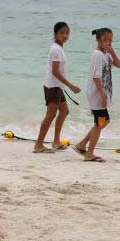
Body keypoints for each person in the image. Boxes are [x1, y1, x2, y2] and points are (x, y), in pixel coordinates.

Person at [32, 21, 81, 154]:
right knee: (50, 115)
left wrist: (64, 86)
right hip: (52, 86)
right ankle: (38, 145)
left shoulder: (59, 48)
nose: (65, 35)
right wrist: (70, 86)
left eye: (67, 32)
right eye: (61, 33)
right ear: (56, 34)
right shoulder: (55, 49)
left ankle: (56, 141)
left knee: (64, 111)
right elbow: (55, 71)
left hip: (57, 86)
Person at [75, 28, 120, 163]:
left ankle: (82, 145)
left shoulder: (106, 55)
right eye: (105, 39)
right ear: (98, 40)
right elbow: (96, 77)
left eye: (110, 40)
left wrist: (111, 50)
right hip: (97, 93)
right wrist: (102, 95)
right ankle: (89, 154)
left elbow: (118, 64)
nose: (108, 42)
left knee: (103, 121)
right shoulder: (97, 55)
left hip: (102, 93)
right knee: (100, 123)